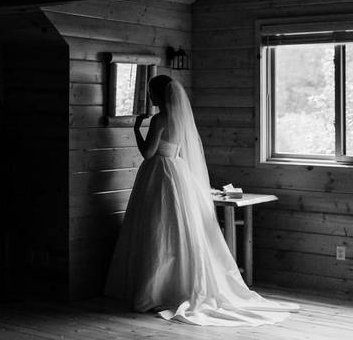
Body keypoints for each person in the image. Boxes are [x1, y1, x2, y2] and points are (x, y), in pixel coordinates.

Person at [104, 74, 299, 325]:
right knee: (178, 230)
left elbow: (147, 154)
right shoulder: (180, 119)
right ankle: (180, 281)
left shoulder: (159, 119)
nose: (150, 96)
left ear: (160, 95)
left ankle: (156, 287)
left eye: (152, 92)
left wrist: (135, 130)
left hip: (158, 173)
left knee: (156, 230)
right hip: (177, 170)